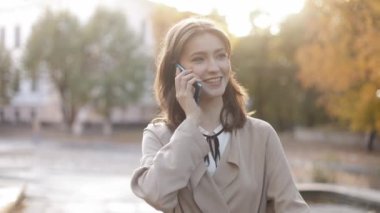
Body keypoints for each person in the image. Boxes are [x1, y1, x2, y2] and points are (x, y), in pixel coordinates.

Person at [130, 17, 310, 213]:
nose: (214, 67)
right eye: (199, 59)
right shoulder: (159, 136)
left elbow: (291, 207)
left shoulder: (261, 135)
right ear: (177, 70)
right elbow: (157, 195)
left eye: (221, 56)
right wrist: (192, 121)